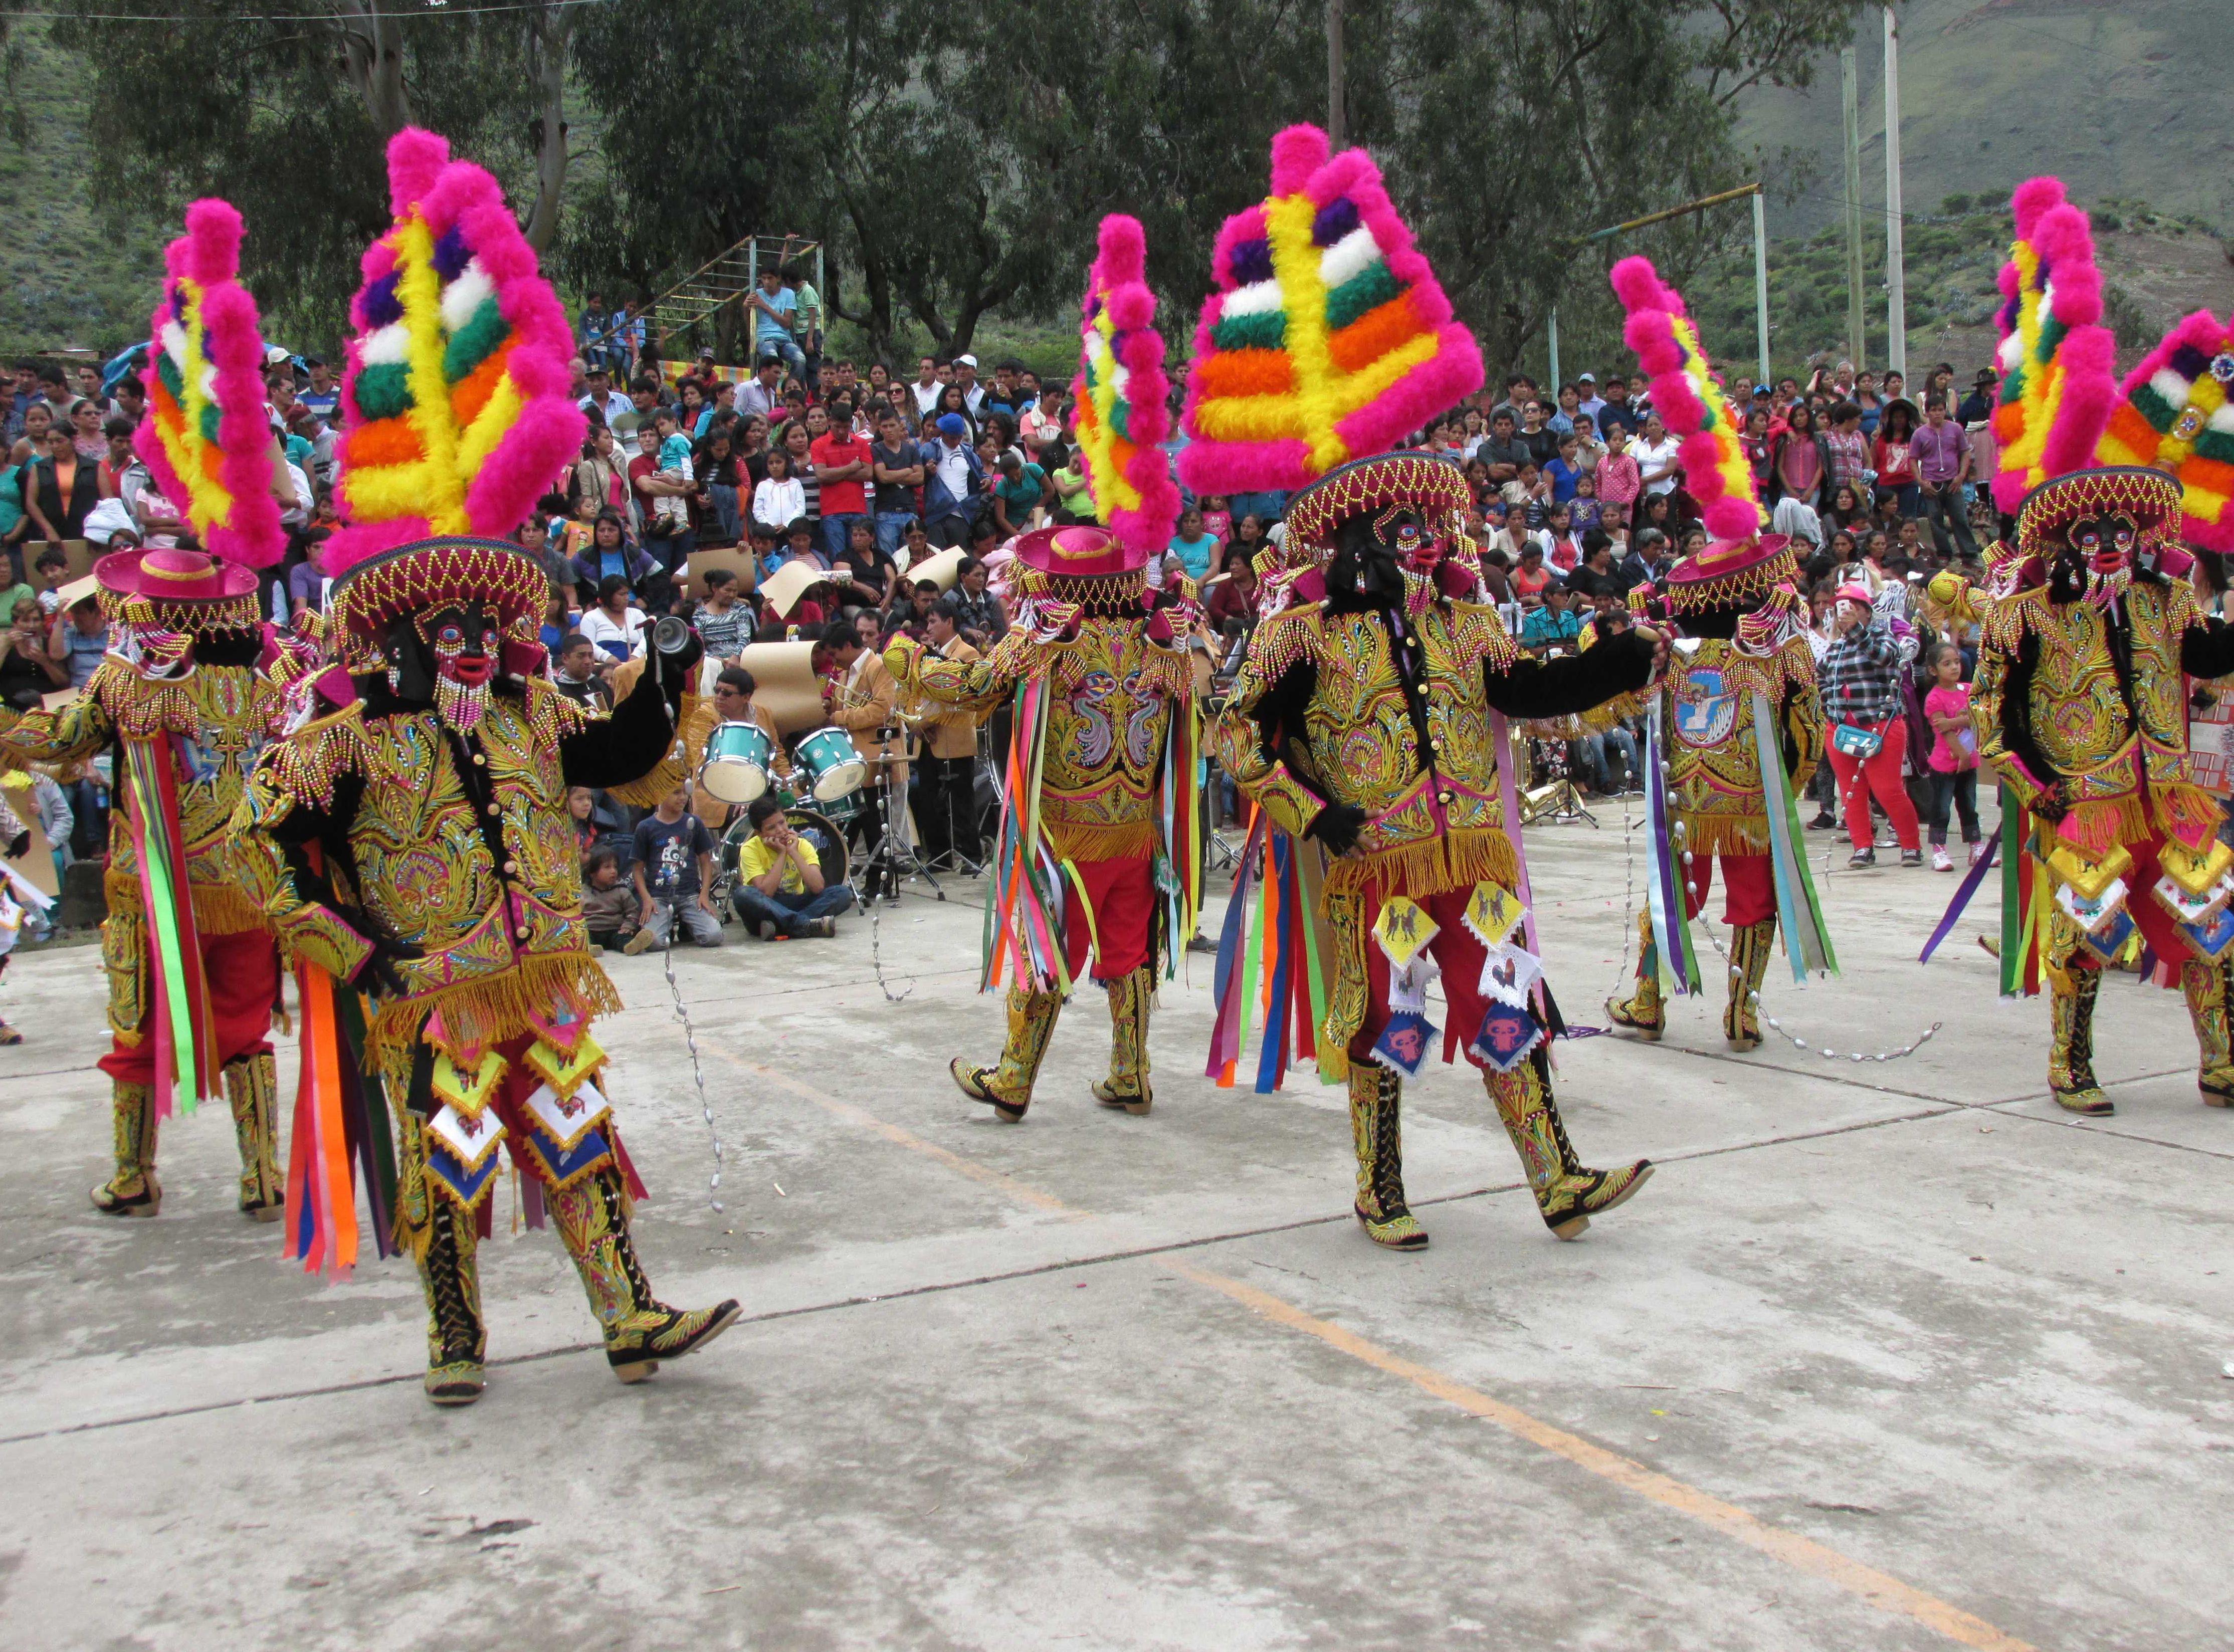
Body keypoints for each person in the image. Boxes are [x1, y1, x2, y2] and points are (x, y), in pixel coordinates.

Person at [235, 361, 733, 1405]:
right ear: (408, 637)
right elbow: (263, 853)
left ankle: (629, 1317)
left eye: (483, 628)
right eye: (448, 631)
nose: (471, 648)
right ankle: (453, 1336)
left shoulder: (531, 714)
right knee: (451, 1161)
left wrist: (669, 668)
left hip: (543, 977)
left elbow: (625, 754)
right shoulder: (351, 741)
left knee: (577, 1138)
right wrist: (360, 955)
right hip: (434, 993)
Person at [1214, 450, 1660, 1249]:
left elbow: (1532, 691)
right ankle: (1377, 1188)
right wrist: (1314, 815)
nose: (1427, 541)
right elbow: (1238, 735)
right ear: (1359, 540)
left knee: (1506, 1006)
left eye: (1430, 526)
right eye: (1404, 528)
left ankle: (1557, 1179)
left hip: (1474, 863)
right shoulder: (1301, 636)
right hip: (1381, 867)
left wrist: (1617, 664)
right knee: (1393, 1019)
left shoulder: (1468, 625)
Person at [889, 513, 1200, 1120]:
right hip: (1136, 832)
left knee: (1046, 950)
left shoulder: (1048, 639)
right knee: (1131, 953)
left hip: (1066, 837)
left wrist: (907, 658)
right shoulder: (1163, 640)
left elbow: (974, 685)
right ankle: (1131, 1073)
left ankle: (1013, 1078)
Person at [1820, 583, 1921, 867]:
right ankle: (1862, 847)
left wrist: (1855, 630)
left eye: (1851, 606)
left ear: (1866, 611)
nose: (1844, 612)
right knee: (1851, 794)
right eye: (1840, 607)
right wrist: (1831, 707)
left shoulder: (1883, 637)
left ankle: (1911, 846)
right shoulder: (1835, 647)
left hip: (1881, 726)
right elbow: (1823, 678)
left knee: (1888, 790)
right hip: (1841, 729)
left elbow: (1884, 658)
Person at [820, 617, 907, 897]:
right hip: (855, 757)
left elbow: (882, 709)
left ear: (848, 645)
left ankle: (880, 881)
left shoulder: (878, 666)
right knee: (858, 820)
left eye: (835, 653)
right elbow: (842, 705)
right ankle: (855, 878)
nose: (833, 660)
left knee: (874, 823)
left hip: (877, 755)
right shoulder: (845, 673)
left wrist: (839, 717)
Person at [731, 795, 853, 938]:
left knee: (843, 893)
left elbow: (818, 887)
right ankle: (805, 925)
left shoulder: (802, 845)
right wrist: (782, 853)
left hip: (795, 901)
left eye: (782, 822)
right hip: (767, 907)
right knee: (743, 894)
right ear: (759, 833)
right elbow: (766, 893)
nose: (780, 830)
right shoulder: (750, 849)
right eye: (771, 828)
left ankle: (784, 927)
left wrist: (793, 852)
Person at [625, 783, 723, 952]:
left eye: (685, 793)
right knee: (654, 943)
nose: (683, 797)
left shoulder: (694, 823)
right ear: (660, 794)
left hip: (690, 895)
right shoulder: (646, 827)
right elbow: (638, 869)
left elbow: (706, 862)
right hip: (658, 896)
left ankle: (687, 924)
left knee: (713, 936)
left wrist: (704, 894)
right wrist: (647, 899)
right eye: (676, 793)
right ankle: (667, 925)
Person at [1920, 640, 1981, 870]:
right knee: (1942, 808)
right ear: (1933, 670)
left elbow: (1978, 718)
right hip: (1945, 764)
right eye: (1947, 664)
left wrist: (1953, 721)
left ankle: (1976, 847)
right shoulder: (1934, 698)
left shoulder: (1968, 690)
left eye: (1957, 662)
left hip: (1970, 761)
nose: (1955, 667)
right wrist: (1962, 755)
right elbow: (1943, 730)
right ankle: (1939, 851)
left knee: (1969, 806)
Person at [1913, 396, 1977, 560]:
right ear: (1927, 413)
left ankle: (1969, 553)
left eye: (1941, 410)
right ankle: (1944, 554)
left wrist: (1961, 476)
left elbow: (1965, 452)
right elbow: (1912, 459)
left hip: (1953, 481)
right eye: (1933, 410)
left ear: (1945, 410)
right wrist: (1921, 482)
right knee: (1935, 520)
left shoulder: (1956, 429)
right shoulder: (1919, 434)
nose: (1937, 414)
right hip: (1931, 483)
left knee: (1960, 518)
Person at [809, 403, 873, 562]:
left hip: (857, 508)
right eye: (837, 427)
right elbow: (822, 475)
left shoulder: (861, 443)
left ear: (851, 423)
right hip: (832, 511)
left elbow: (868, 474)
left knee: (861, 557)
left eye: (846, 427)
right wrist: (851, 468)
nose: (842, 432)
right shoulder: (818, 444)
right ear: (830, 421)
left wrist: (835, 473)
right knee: (838, 559)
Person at [919, 412, 984, 548]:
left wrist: (987, 480)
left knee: (959, 557)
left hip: (961, 513)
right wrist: (927, 472)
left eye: (959, 438)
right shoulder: (928, 450)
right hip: (936, 514)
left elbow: (981, 473)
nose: (956, 442)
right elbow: (916, 479)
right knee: (937, 556)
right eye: (952, 438)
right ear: (942, 434)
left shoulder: (968, 452)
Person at [747, 267, 804, 378]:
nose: (767, 282)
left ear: (778, 278)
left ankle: (791, 385)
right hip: (765, 338)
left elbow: (787, 323)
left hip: (784, 339)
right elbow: (750, 323)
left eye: (770, 278)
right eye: (764, 278)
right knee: (772, 359)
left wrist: (765, 306)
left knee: (800, 359)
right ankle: (769, 388)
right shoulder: (756, 295)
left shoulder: (789, 294)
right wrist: (745, 307)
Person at [579, 573, 645, 661]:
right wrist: (606, 657)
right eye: (622, 594)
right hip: (603, 667)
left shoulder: (637, 614)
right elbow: (588, 644)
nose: (627, 598)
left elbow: (646, 638)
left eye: (627, 593)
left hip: (637, 665)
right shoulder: (590, 617)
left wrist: (636, 655)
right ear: (608, 596)